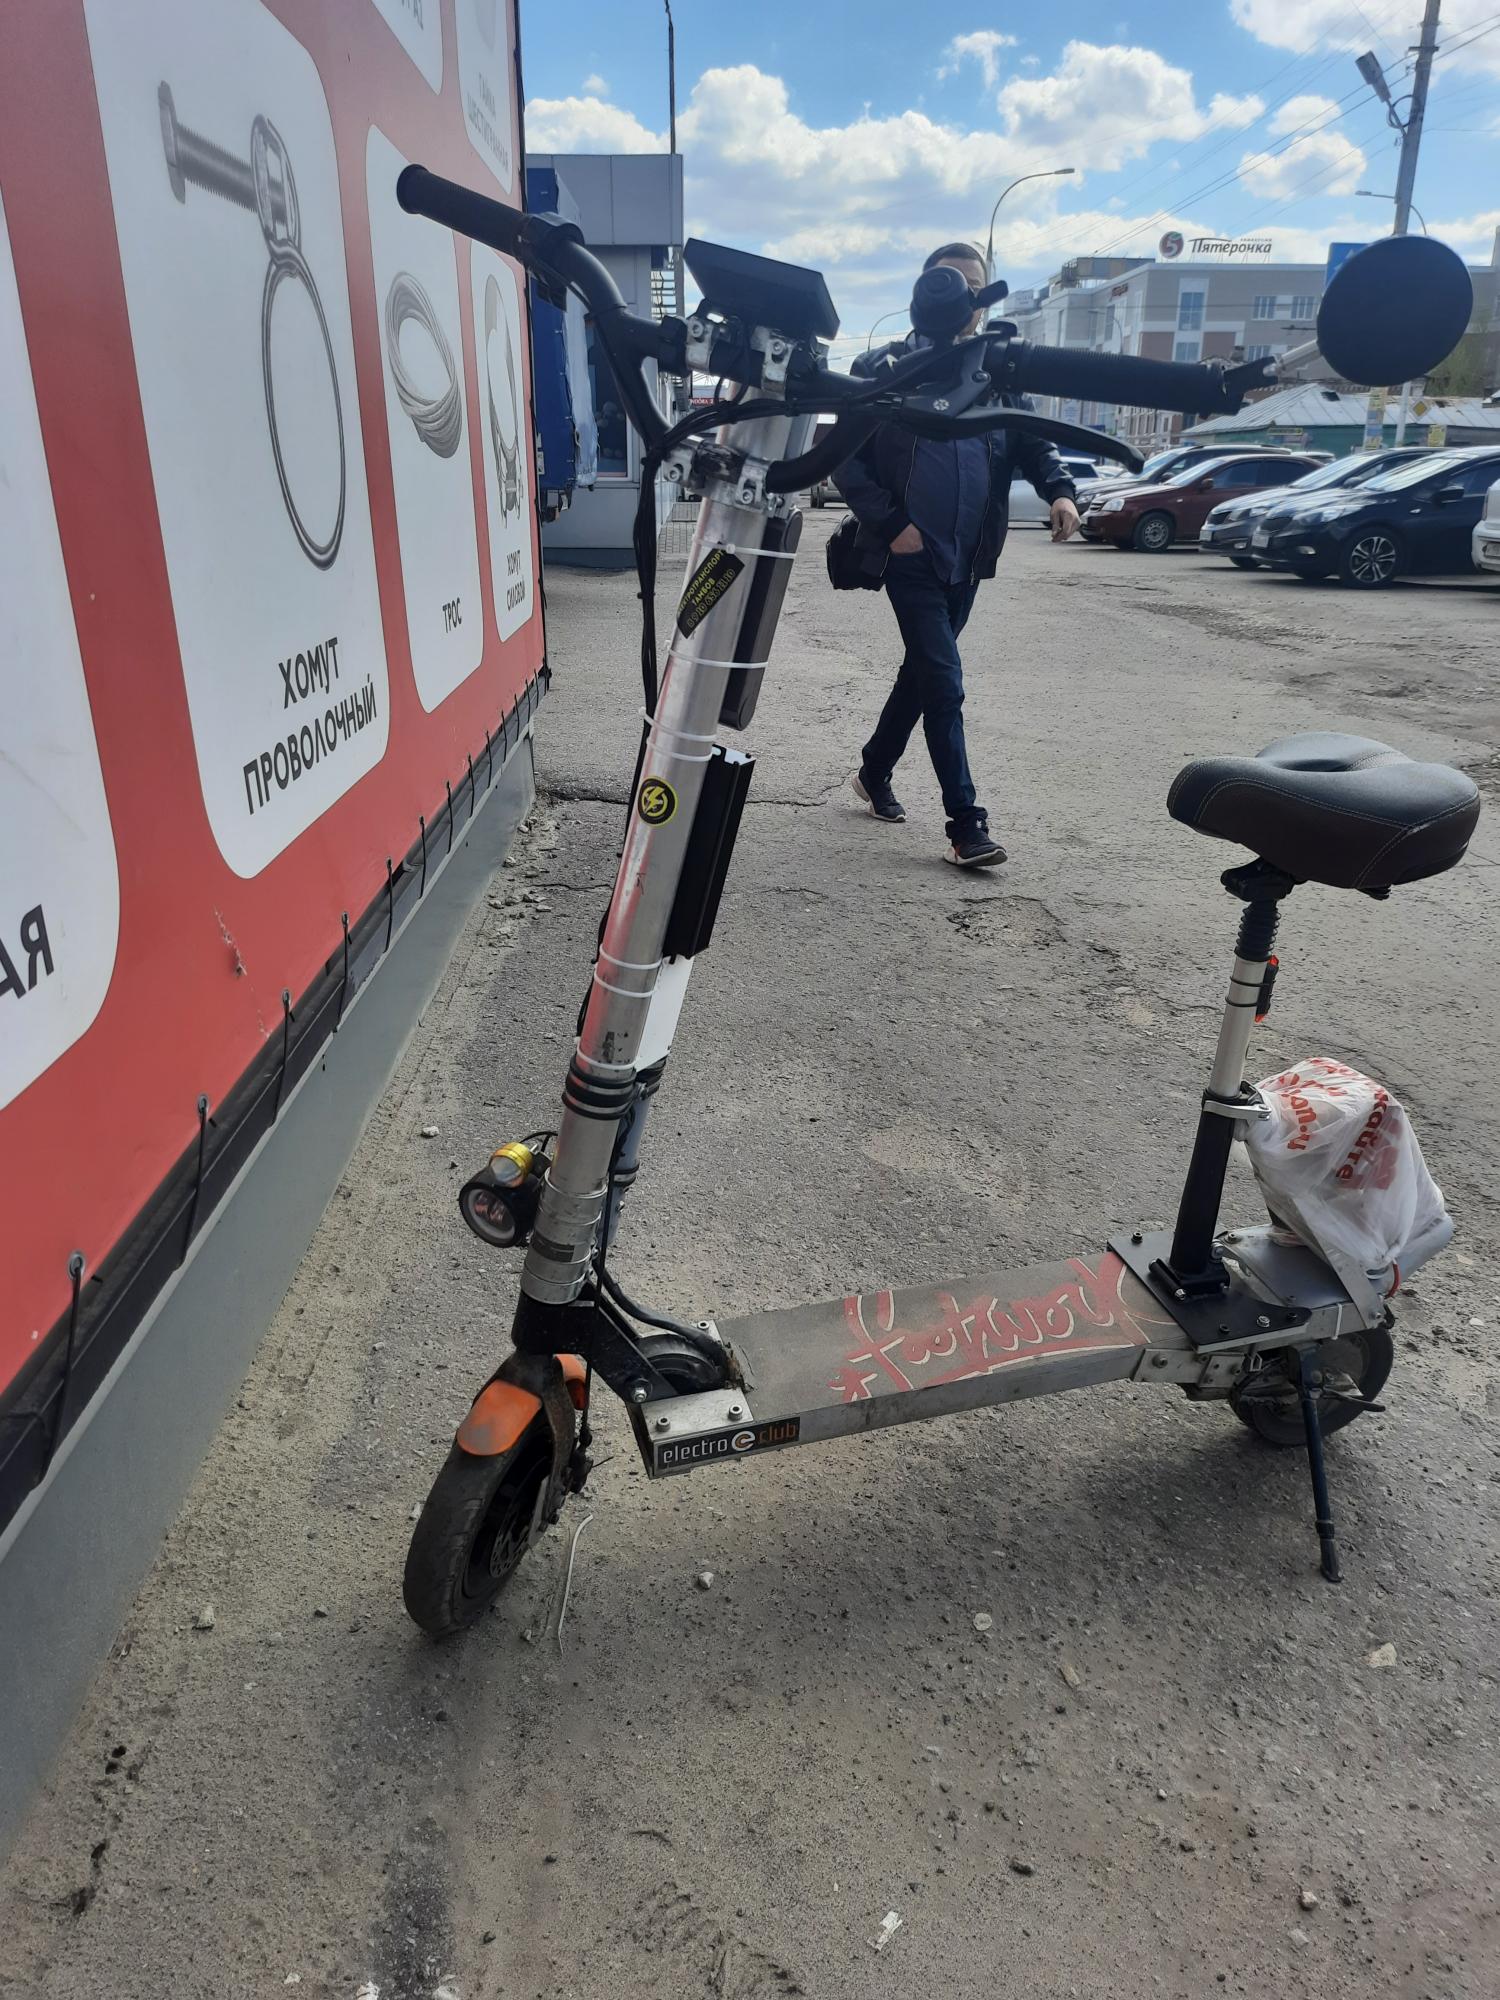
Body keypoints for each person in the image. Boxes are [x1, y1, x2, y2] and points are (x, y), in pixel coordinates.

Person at [835, 242, 1081, 867]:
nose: (963, 296)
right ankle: (966, 826)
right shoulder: (885, 367)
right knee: (944, 683)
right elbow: (846, 458)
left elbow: (1033, 441)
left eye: (975, 285)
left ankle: (873, 771)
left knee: (921, 675)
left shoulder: (999, 371)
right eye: (950, 282)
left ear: (984, 299)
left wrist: (1060, 491)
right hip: (909, 556)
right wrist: (891, 524)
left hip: (967, 558)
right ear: (925, 291)